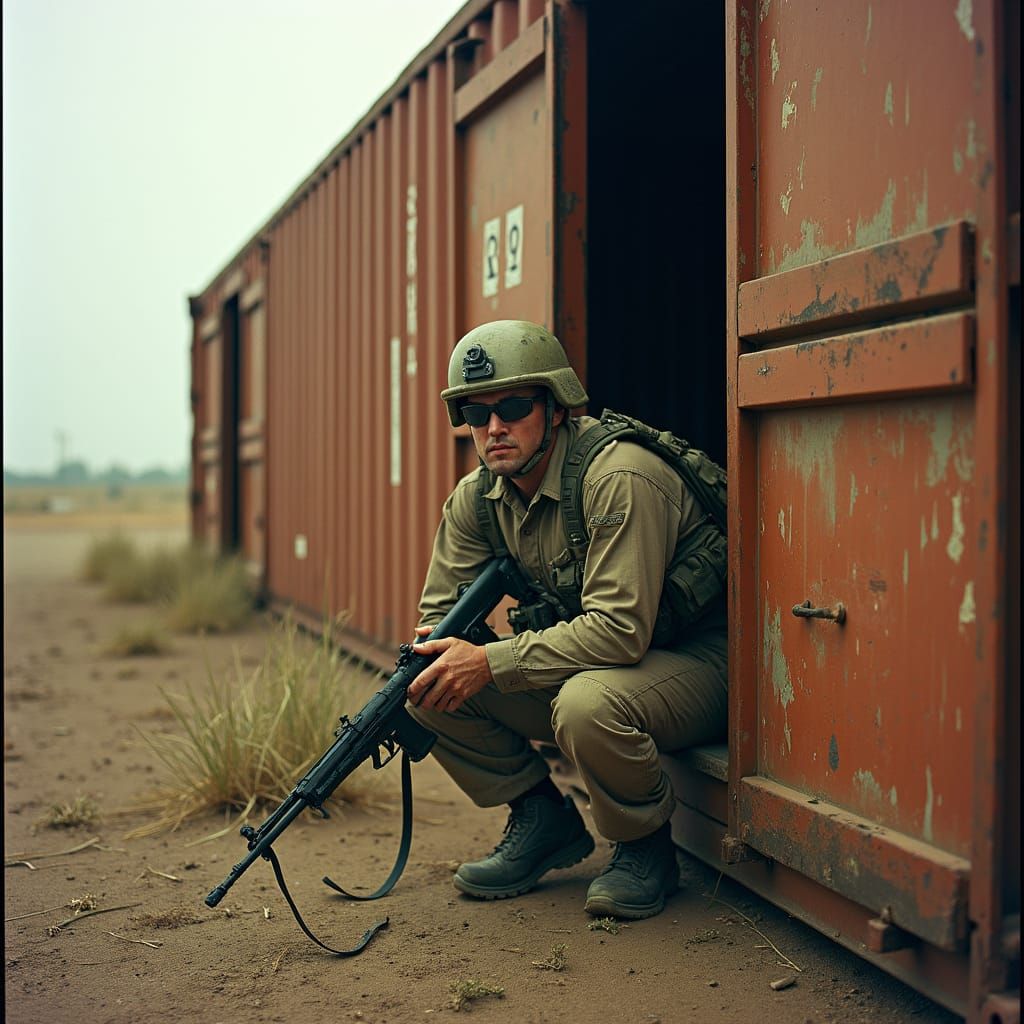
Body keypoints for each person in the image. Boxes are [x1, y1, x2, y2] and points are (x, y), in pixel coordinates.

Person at [405, 320, 728, 920]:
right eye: (476, 414)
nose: (494, 427)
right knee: (424, 686)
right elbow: (437, 622)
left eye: (514, 406)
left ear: (555, 409)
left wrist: (492, 660)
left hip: (699, 661)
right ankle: (542, 819)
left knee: (587, 704)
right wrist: (450, 653)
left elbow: (619, 631)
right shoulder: (479, 499)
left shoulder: (618, 475)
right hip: (610, 665)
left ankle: (644, 849)